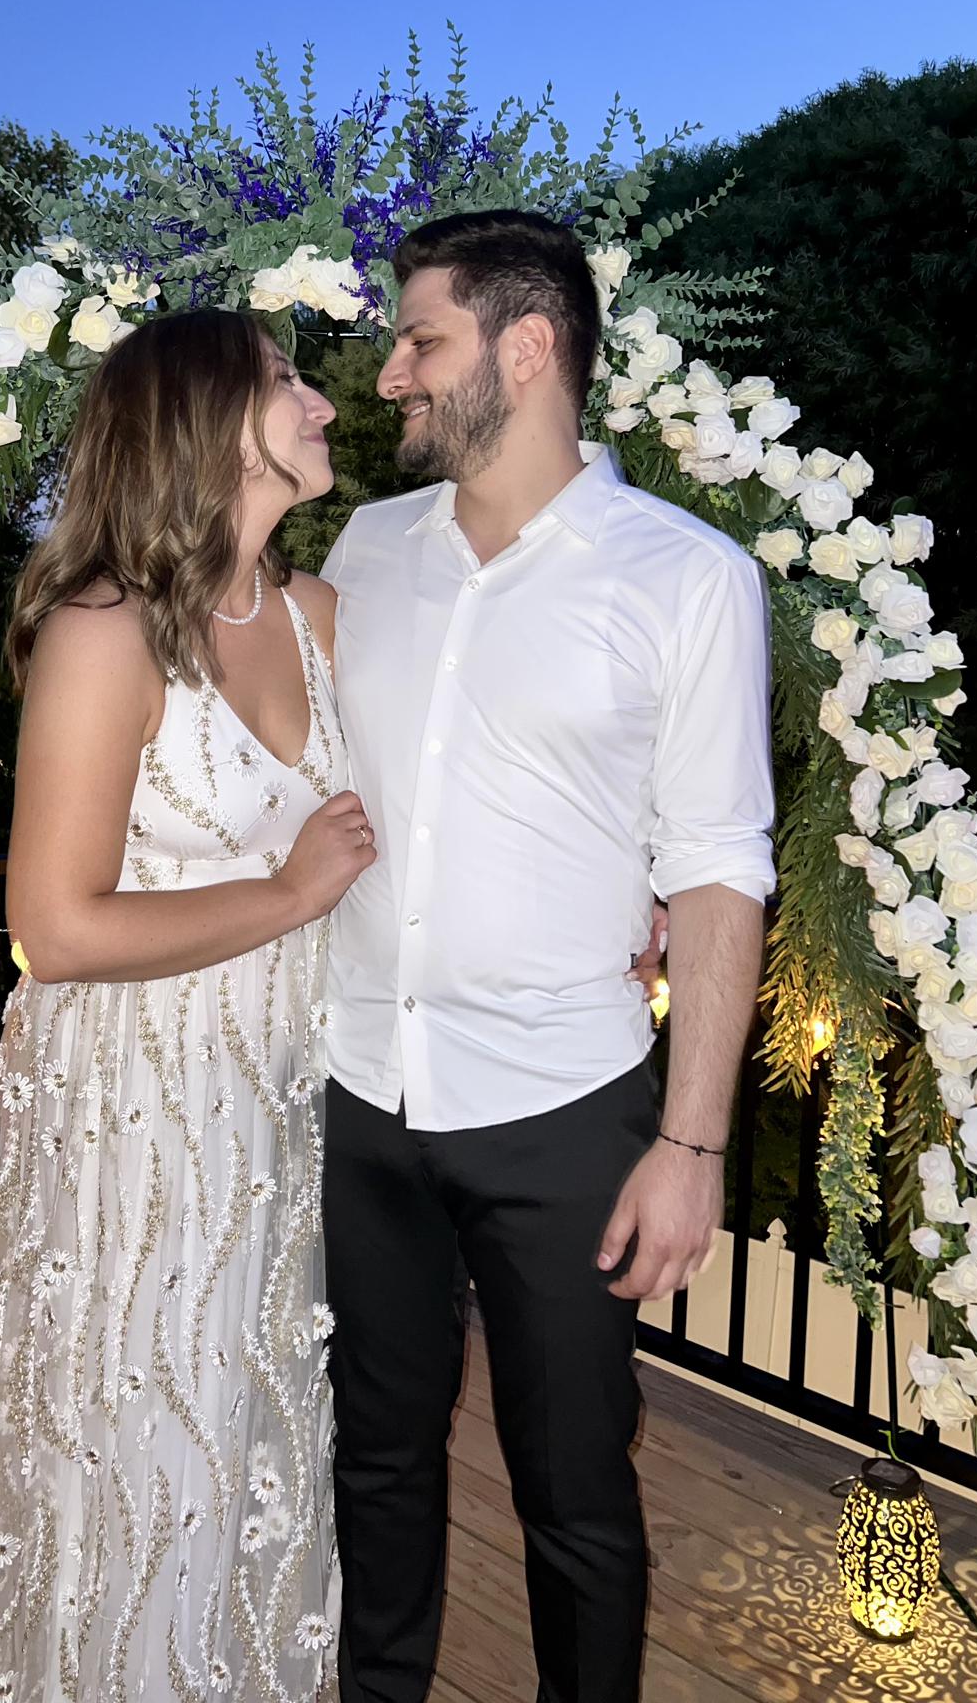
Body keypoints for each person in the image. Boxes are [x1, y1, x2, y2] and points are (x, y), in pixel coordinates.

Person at [320, 209, 776, 1703]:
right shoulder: (368, 550)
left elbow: (719, 868)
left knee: (575, 1494)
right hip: (360, 1093)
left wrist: (690, 1147)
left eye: (421, 340)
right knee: (373, 1463)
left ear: (527, 349)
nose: (391, 374)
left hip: (565, 1112)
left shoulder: (688, 577)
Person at [0, 308, 370, 1703]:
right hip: (137, 1113)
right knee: (142, 1456)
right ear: (208, 424)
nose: (321, 402)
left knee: (251, 1442)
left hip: (278, 1103)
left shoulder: (316, 617)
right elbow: (57, 928)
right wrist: (290, 894)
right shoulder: (104, 631)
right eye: (287, 381)